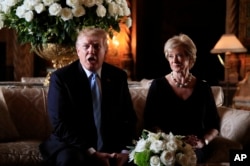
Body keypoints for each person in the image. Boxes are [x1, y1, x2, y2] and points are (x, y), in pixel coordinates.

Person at [39, 27, 137, 166]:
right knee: (71, 160)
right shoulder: (61, 78)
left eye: (97, 46)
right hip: (73, 144)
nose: (91, 51)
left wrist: (125, 151)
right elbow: (60, 124)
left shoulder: (118, 76)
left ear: (105, 51)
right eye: (86, 46)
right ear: (78, 51)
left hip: (112, 144)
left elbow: (129, 118)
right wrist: (91, 152)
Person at [143, 34, 220, 163]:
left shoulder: (203, 88)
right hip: (167, 145)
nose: (174, 60)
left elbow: (214, 124)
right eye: (171, 56)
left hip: (195, 147)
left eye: (179, 55)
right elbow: (150, 122)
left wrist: (203, 142)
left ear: (190, 58)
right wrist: (171, 142)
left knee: (188, 159)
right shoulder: (158, 86)